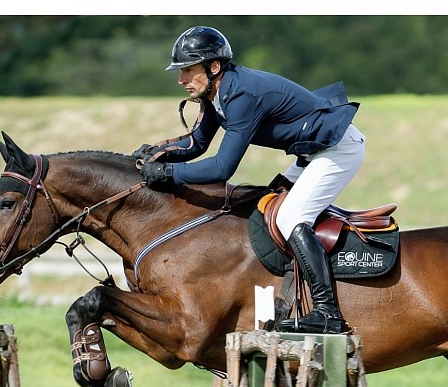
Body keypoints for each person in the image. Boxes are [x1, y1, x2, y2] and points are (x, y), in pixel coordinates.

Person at [137, 26, 365, 335]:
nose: (181, 80)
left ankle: (328, 313)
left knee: (290, 216)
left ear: (213, 66)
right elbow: (198, 144)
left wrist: (168, 174)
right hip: (313, 153)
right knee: (264, 207)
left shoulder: (241, 95)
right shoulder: (216, 92)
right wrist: (159, 152)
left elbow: (222, 168)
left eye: (188, 70)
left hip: (338, 149)